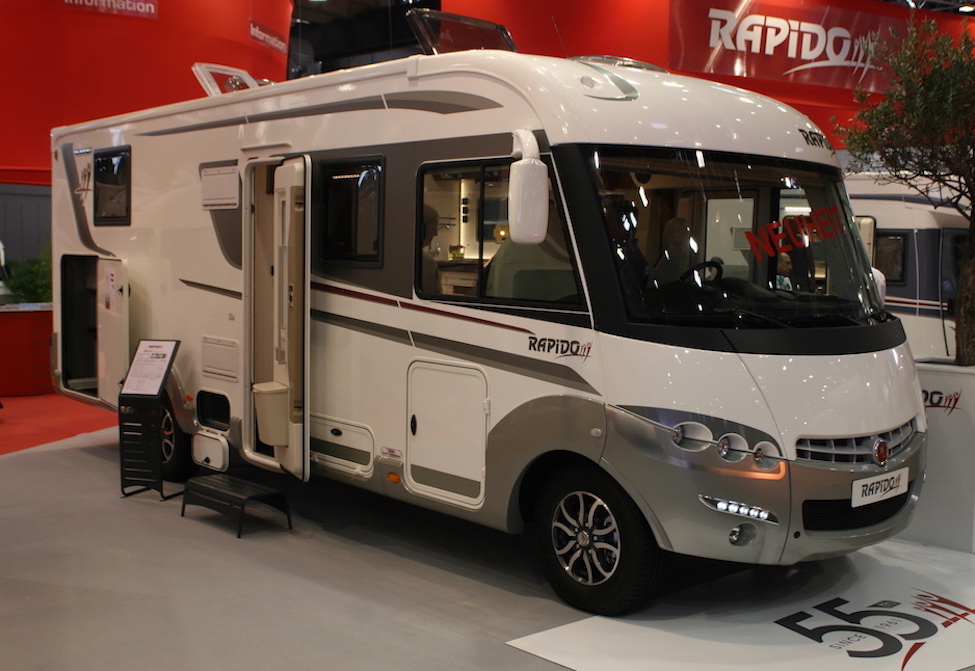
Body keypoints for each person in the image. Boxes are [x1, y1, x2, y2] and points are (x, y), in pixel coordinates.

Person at [420, 204, 442, 294]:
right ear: (422, 229)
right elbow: (432, 295)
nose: (436, 234)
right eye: (433, 229)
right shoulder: (426, 262)